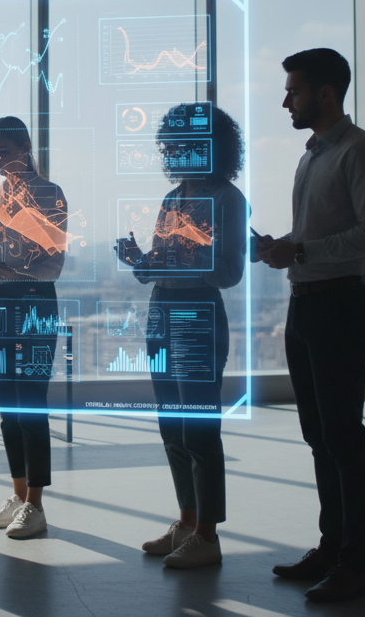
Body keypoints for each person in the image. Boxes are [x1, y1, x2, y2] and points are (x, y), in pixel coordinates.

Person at [254, 48, 365, 603]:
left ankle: (357, 566)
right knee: (319, 436)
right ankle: (332, 548)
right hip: (306, 303)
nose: (286, 99)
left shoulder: (360, 152)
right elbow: (312, 236)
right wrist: (281, 250)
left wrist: (303, 249)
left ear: (326, 94)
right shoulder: (311, 155)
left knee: (344, 438)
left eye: (294, 89)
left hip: (340, 305)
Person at [115, 105, 248, 568]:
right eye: (167, 146)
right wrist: (140, 260)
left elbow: (229, 272)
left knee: (199, 428)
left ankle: (207, 536)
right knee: (172, 425)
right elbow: (158, 267)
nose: (170, 154)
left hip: (197, 313)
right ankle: (187, 522)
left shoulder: (228, 199)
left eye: (179, 146)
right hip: (162, 312)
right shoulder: (173, 198)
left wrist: (172, 263)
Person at [0, 116, 68, 539]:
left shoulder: (49, 194)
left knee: (31, 404)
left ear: (24, 148)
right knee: (7, 407)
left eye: (2, 150)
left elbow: (53, 265)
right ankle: (19, 495)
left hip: (34, 303)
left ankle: (36, 505)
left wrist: (12, 267)